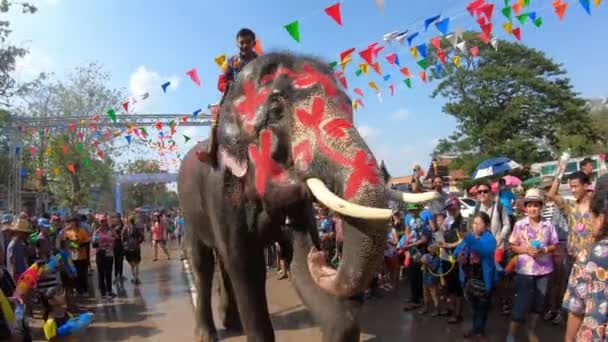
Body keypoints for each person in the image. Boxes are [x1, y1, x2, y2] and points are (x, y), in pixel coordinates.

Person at [197, 28, 259, 165]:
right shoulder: (230, 61)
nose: (245, 46)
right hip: (234, 97)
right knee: (216, 114)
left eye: (248, 42)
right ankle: (211, 152)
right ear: (237, 44)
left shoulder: (260, 61)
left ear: (254, 43)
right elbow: (221, 82)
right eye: (241, 43)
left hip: (256, 98)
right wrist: (229, 85)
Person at [506, 188, 559, 342]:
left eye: (536, 205)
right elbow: (512, 246)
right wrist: (525, 249)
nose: (533, 208)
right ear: (525, 207)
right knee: (521, 305)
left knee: (538, 305)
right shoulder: (520, 225)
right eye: (529, 205)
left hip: (544, 271)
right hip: (524, 271)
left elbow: (555, 245)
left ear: (541, 207)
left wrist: (544, 249)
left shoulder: (548, 225)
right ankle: (511, 334)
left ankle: (530, 330)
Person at [563, 189, 608, 341]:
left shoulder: (589, 255)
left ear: (601, 219)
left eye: (592, 216)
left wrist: (568, 339)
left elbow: (576, 307)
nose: (589, 221)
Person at [454, 212, 497, 342]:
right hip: (469, 279)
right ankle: (476, 329)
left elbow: (484, 250)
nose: (475, 226)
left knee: (482, 307)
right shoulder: (471, 237)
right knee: (474, 307)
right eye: (474, 223)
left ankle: (478, 331)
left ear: (487, 226)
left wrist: (468, 238)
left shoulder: (489, 238)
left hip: (483, 279)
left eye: (479, 223)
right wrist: (459, 257)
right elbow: (457, 252)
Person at [58, 216, 91, 296]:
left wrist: (78, 246)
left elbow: (87, 242)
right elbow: (63, 243)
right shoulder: (66, 232)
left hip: (82, 255)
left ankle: (83, 290)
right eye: (70, 222)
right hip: (71, 256)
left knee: (82, 273)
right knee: (74, 273)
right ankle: (76, 289)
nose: (72, 224)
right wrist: (72, 245)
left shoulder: (82, 231)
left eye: (73, 222)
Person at [92, 215, 117, 299]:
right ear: (99, 222)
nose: (103, 223)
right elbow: (94, 244)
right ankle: (103, 292)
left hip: (109, 253)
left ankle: (109, 290)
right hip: (100, 253)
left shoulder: (110, 231)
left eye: (104, 221)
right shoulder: (97, 232)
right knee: (101, 273)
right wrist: (99, 243)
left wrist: (111, 242)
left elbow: (117, 237)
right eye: (102, 221)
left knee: (108, 272)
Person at [419, 243, 441, 316]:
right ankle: (426, 307)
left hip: (432, 279)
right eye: (430, 247)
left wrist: (426, 262)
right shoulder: (426, 255)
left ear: (436, 250)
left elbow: (433, 268)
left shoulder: (437, 259)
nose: (430, 249)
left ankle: (437, 309)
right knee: (425, 294)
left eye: (432, 248)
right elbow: (421, 264)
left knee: (434, 294)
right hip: (425, 278)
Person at [122, 215, 144, 285]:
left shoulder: (125, 229)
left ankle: (134, 277)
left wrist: (125, 244)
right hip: (135, 248)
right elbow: (142, 237)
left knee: (132, 264)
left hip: (128, 248)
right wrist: (138, 242)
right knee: (136, 263)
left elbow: (122, 239)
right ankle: (136, 277)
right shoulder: (136, 228)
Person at [111, 214, 125, 284]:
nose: (117, 219)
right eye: (117, 217)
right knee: (116, 261)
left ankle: (120, 275)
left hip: (121, 244)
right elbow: (111, 235)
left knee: (121, 260)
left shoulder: (122, 225)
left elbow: (124, 235)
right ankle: (116, 275)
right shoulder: (112, 226)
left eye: (119, 217)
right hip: (115, 245)